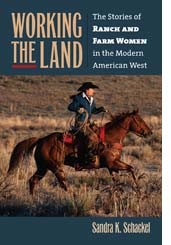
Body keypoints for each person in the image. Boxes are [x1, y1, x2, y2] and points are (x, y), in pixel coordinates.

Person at [68, 82, 106, 168]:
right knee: (91, 136)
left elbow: (93, 110)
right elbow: (70, 107)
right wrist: (78, 109)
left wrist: (100, 109)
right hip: (81, 124)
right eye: (92, 89)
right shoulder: (78, 98)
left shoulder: (91, 100)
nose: (93, 91)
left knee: (98, 133)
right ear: (87, 90)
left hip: (88, 123)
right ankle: (88, 156)